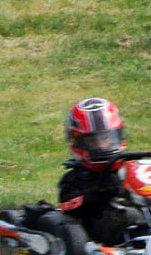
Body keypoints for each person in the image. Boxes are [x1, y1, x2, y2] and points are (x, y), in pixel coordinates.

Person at [58, 97, 144, 246]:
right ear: (77, 143)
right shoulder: (75, 177)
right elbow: (67, 205)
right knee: (129, 217)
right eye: (92, 141)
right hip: (104, 225)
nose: (101, 146)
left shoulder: (130, 168)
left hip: (146, 215)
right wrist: (98, 193)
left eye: (106, 138)